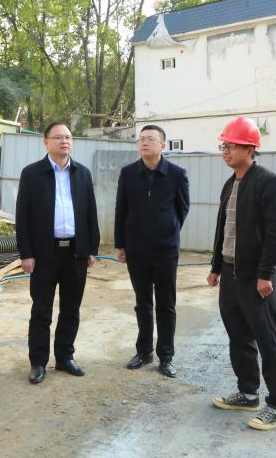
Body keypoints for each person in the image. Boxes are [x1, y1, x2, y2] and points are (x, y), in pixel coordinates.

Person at [206, 117, 276, 431]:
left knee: (267, 340)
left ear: (250, 148)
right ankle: (248, 393)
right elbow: (223, 229)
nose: (225, 151)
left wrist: (266, 274)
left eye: (232, 145)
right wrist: (216, 267)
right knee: (238, 335)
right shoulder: (230, 183)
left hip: (256, 277)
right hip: (230, 274)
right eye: (224, 146)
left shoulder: (269, 183)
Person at [16, 122, 100, 384]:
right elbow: (23, 216)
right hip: (44, 254)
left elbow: (90, 213)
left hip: (75, 252)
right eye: (58, 137)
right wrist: (26, 253)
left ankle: (65, 357)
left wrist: (91, 249)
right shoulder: (32, 174)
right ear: (46, 142)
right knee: (41, 310)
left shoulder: (82, 173)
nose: (64, 141)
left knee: (71, 309)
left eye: (68, 137)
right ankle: (38, 362)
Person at [115, 125, 189, 378]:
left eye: (150, 139)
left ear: (162, 146)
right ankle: (144, 351)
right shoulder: (128, 173)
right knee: (142, 302)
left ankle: (166, 356)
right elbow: (121, 209)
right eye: (141, 139)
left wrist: (168, 229)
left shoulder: (176, 174)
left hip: (165, 250)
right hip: (136, 250)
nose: (145, 143)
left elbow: (182, 209)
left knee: (166, 304)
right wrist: (121, 244)